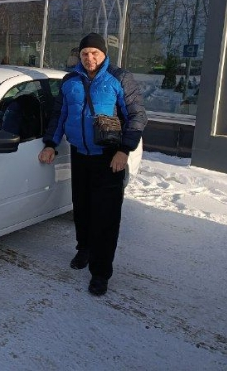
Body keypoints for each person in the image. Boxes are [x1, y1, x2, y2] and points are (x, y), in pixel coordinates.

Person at [38, 33, 147, 296]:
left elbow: (137, 116)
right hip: (80, 155)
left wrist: (124, 150)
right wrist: (51, 143)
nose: (89, 58)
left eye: (94, 53)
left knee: (106, 217)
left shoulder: (119, 78)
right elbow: (59, 114)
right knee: (82, 209)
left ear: (104, 54)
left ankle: (100, 272)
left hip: (109, 158)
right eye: (85, 53)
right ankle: (84, 249)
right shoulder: (70, 81)